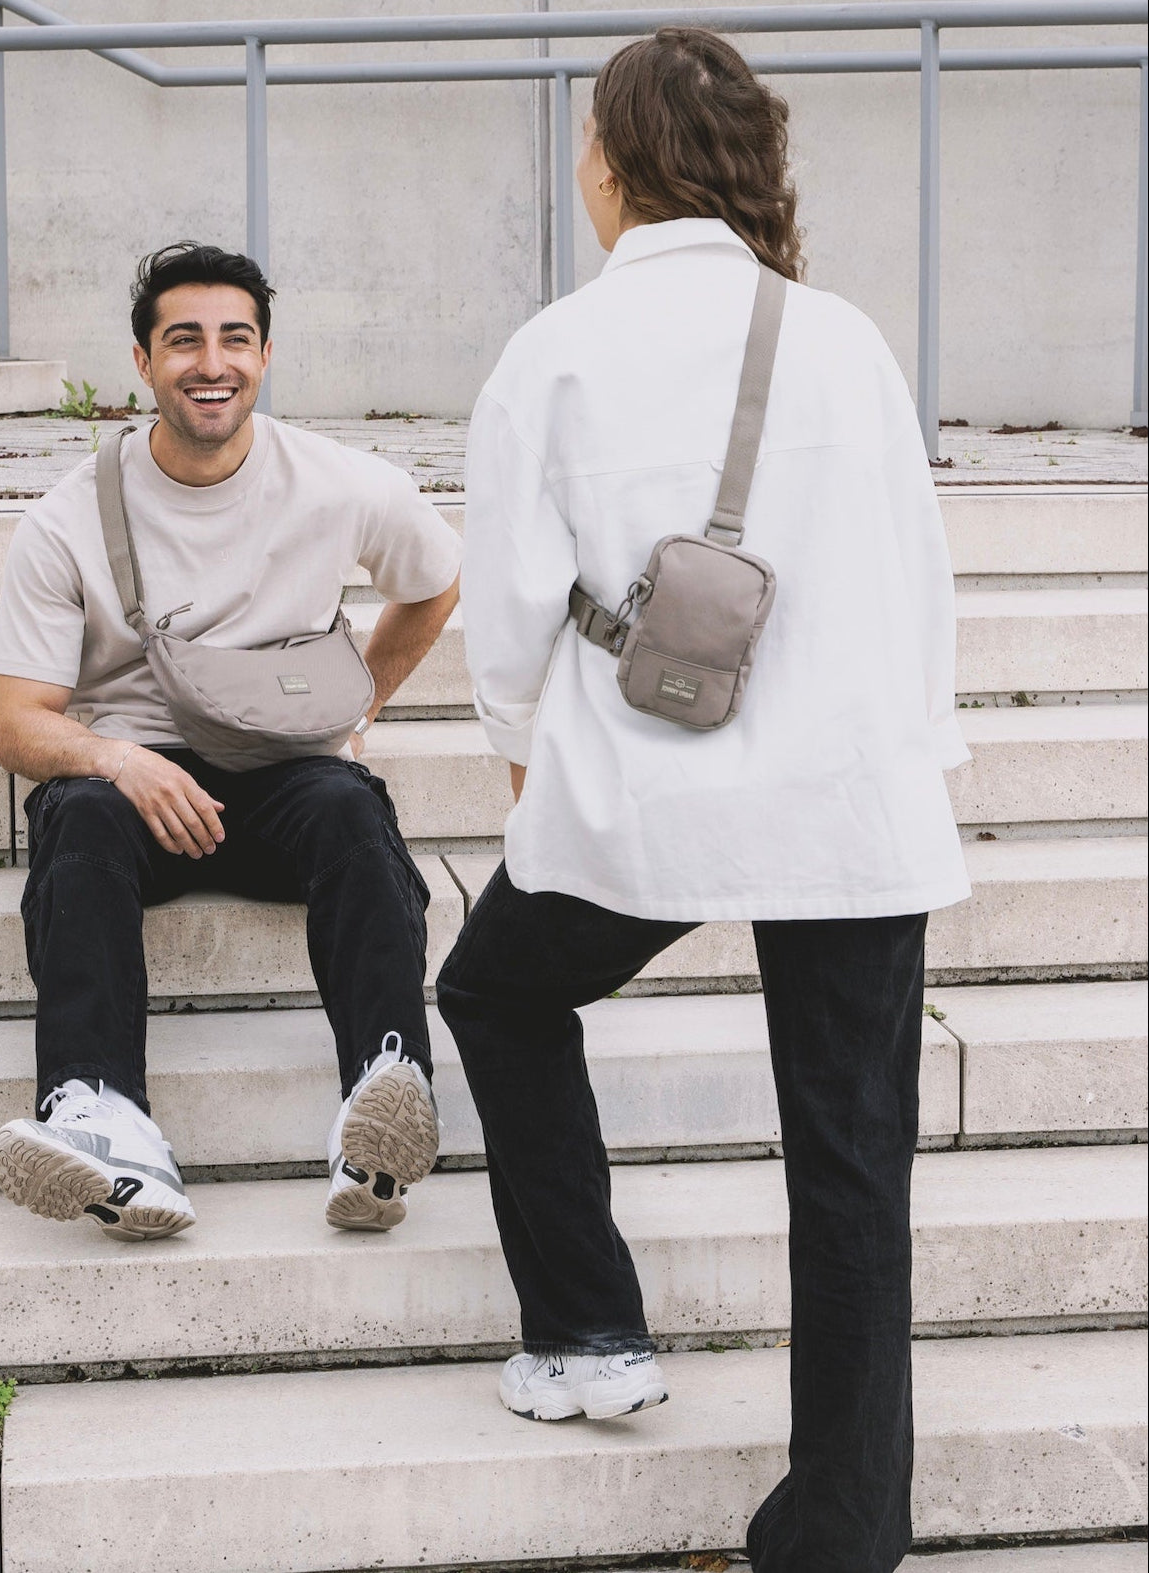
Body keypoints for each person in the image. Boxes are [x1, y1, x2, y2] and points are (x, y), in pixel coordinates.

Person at [436, 28, 969, 1573]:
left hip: (642, 796)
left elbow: (509, 614)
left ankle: (586, 1327)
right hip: (847, 808)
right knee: (851, 1164)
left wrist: (523, 761)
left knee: (493, 989)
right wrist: (917, 765)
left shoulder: (554, 352)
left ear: (611, 164)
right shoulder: (843, 340)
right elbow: (916, 577)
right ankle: (839, 1531)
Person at [0, 242, 460, 1242]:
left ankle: (383, 1104)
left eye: (235, 339)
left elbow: (434, 580)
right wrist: (120, 758)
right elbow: (18, 722)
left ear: (266, 354)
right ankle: (101, 1119)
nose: (212, 363)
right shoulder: (67, 518)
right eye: (184, 340)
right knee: (77, 819)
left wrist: (361, 706)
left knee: (350, 806)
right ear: (142, 361)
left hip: (285, 777)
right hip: (136, 798)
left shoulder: (335, 481)